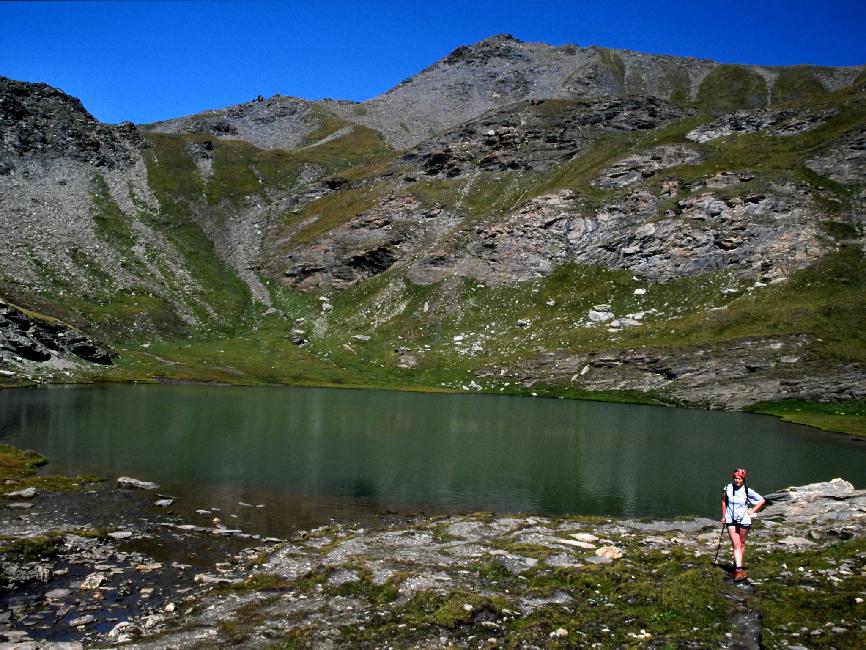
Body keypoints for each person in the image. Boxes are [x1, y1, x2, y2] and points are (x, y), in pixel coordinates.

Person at [721, 468, 765, 582]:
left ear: (743, 479)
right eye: (735, 478)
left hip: (744, 519)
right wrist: (724, 516)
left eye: (739, 478)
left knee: (741, 543)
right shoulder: (728, 488)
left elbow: (762, 500)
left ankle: (738, 563)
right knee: (736, 544)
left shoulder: (747, 490)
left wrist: (752, 511)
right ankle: (739, 571)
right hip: (730, 519)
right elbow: (724, 501)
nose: (737, 480)